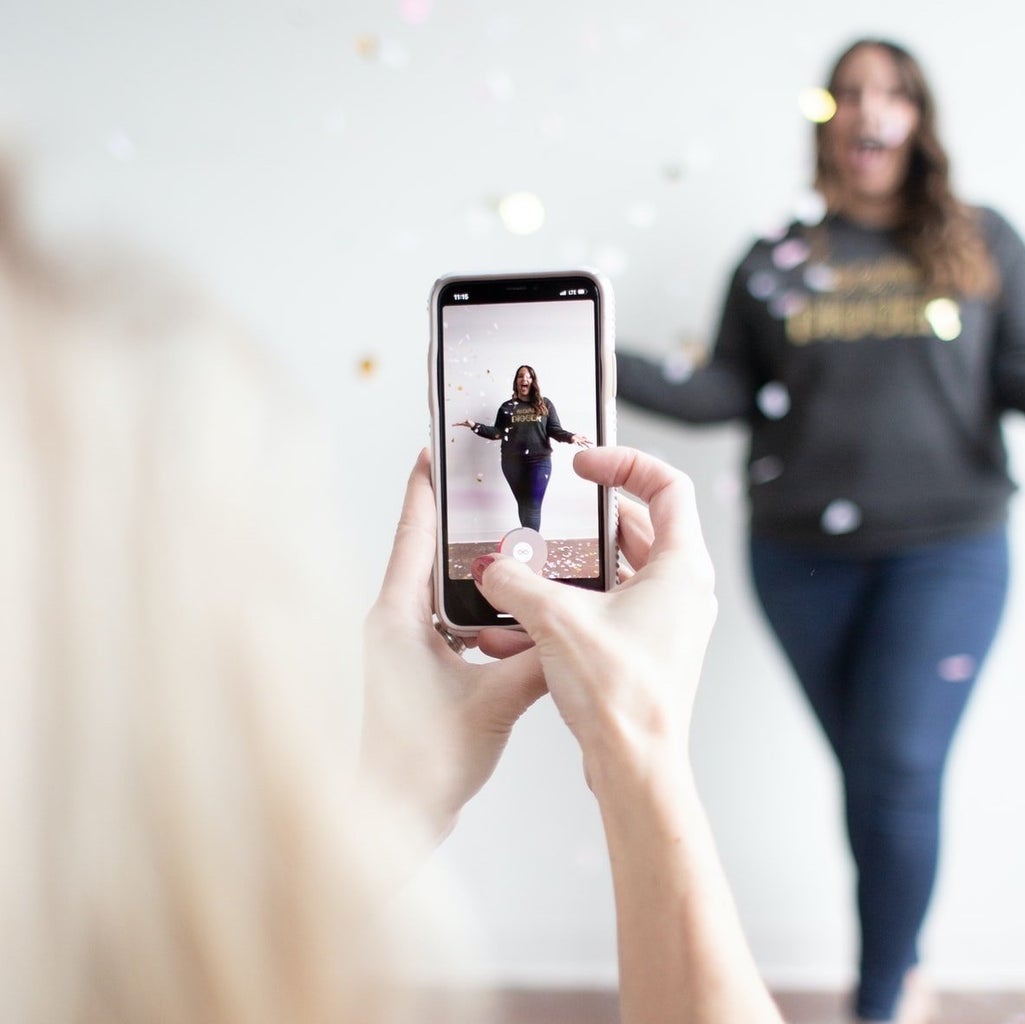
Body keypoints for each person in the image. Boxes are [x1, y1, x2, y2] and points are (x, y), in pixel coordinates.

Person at [0, 154, 784, 1024]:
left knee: (529, 507)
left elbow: (559, 430)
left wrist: (403, 784)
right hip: (514, 459)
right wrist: (637, 743)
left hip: (533, 467)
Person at [615, 38, 1025, 1023]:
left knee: (897, 766)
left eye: (889, 94)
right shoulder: (774, 257)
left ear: (917, 119)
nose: (865, 110)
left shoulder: (977, 242)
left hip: (948, 547)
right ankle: (903, 973)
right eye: (845, 95)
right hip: (799, 557)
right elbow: (715, 390)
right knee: (876, 775)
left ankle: (880, 998)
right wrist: (584, 348)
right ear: (823, 120)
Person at [454, 363, 590, 532]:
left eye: (528, 376)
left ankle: (532, 544)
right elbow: (497, 433)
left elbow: (554, 430)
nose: (524, 379)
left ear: (533, 381)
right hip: (512, 463)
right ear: (516, 382)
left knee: (533, 504)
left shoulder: (544, 404)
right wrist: (475, 426)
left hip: (540, 461)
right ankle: (528, 545)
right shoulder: (506, 408)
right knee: (524, 504)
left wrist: (571, 437)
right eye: (520, 376)